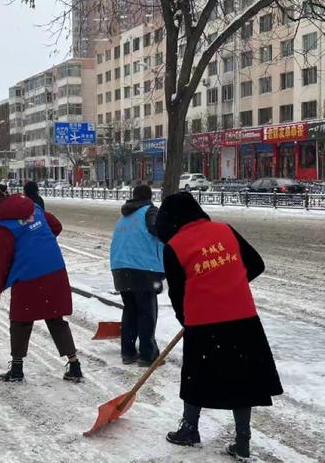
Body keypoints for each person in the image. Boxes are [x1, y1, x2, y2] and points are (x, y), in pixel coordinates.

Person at [155, 192, 283, 460]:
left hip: (203, 324)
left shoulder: (174, 246)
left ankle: (189, 429)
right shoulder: (226, 230)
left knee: (196, 377)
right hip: (243, 319)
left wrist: (187, 321)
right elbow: (256, 264)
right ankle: (243, 442)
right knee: (244, 380)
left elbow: (177, 295)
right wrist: (230, 284)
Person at [0, 193, 83, 383]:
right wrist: (37, 242)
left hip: (28, 276)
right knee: (55, 317)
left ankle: (16, 369)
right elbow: (56, 226)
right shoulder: (35, 209)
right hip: (54, 269)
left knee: (21, 320)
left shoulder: (5, 225)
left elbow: (3, 261)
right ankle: (74, 365)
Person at [110, 184, 165, 366]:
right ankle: (148, 355)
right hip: (143, 269)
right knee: (147, 312)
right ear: (149, 197)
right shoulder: (150, 211)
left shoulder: (124, 217)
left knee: (130, 310)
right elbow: (159, 231)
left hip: (120, 268)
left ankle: (128, 352)